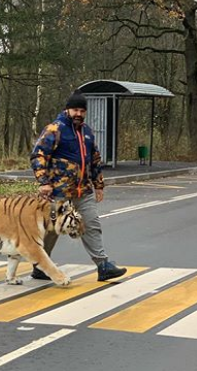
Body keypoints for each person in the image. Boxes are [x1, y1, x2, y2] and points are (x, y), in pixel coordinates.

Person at [30, 89, 127, 282]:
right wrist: (44, 183)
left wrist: (99, 185)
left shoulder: (87, 132)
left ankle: (103, 266)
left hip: (83, 191)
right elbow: (38, 154)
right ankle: (41, 265)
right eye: (75, 110)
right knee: (51, 230)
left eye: (82, 111)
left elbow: (94, 159)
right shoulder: (55, 130)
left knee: (91, 225)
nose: (79, 114)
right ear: (67, 110)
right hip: (57, 191)